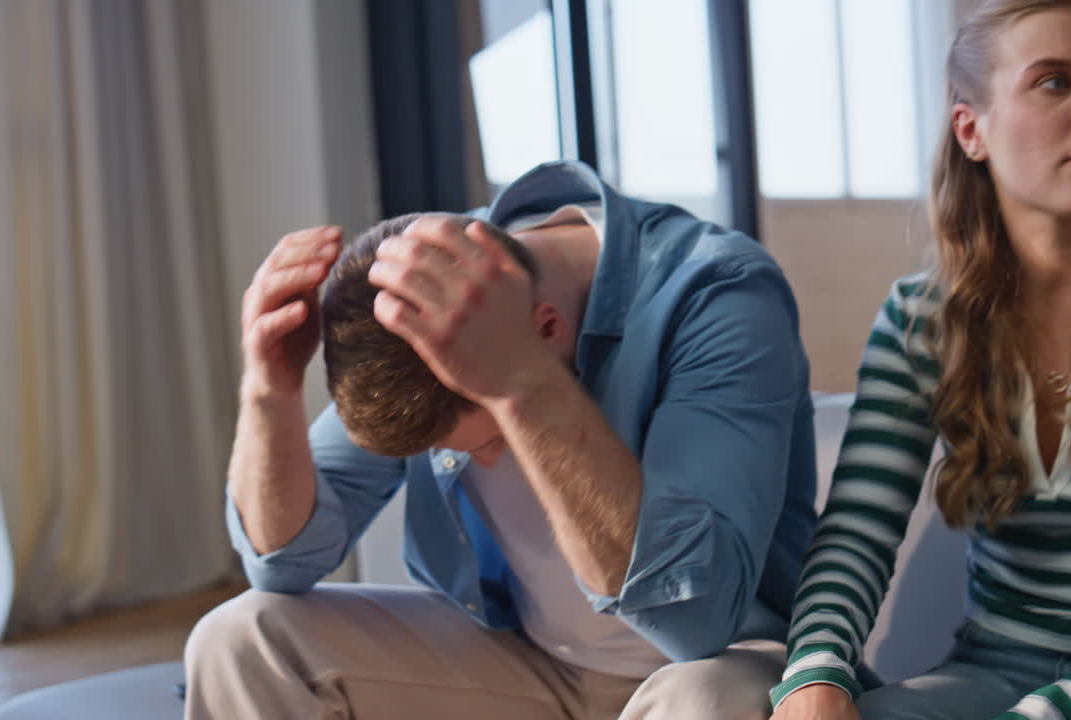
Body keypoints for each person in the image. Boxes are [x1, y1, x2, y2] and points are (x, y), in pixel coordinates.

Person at [183, 160, 819, 719]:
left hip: (722, 663)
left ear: (545, 327)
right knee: (240, 638)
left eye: (486, 444)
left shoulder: (716, 291)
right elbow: (282, 564)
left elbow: (696, 623)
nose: (481, 461)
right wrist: (272, 390)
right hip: (533, 666)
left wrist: (523, 390)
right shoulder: (430, 289)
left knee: (700, 703)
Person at [771, 1, 1071, 719]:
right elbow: (856, 535)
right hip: (995, 672)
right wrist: (815, 677)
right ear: (973, 129)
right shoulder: (921, 318)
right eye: (1055, 82)